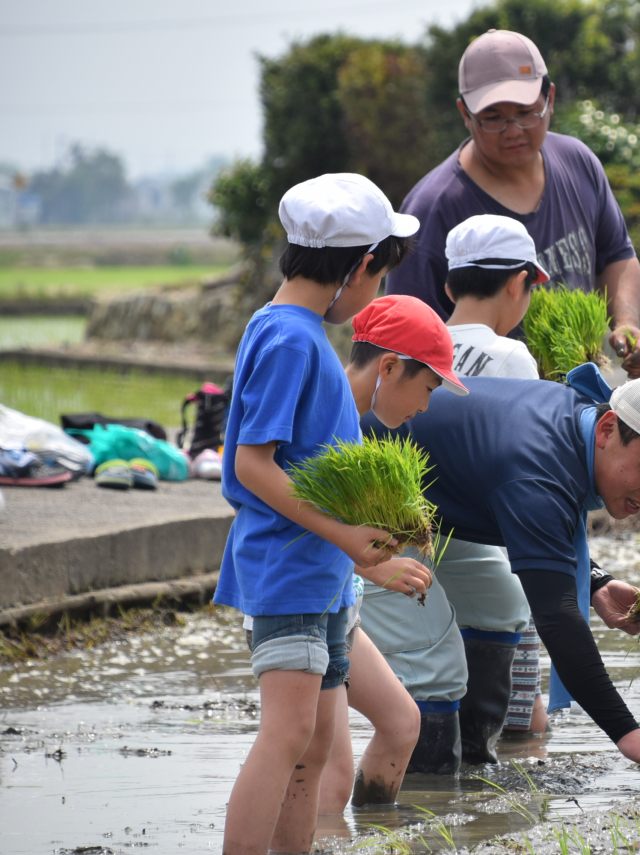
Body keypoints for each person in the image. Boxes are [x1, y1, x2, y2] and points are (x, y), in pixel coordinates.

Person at [214, 174, 434, 855]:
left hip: (322, 573)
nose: (375, 295)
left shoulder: (299, 332)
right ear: (361, 265)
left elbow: (321, 462)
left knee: (310, 742)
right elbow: (253, 464)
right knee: (286, 735)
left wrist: (388, 519)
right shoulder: (289, 339)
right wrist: (346, 536)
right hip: (289, 569)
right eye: (379, 276)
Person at [359, 369, 640, 776]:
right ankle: (423, 802)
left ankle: (473, 769)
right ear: (608, 429)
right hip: (358, 508)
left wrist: (596, 581)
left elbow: (544, 526)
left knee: (501, 605)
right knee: (434, 667)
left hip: (428, 503)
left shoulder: (575, 422)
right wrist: (626, 732)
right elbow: (557, 617)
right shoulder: (537, 468)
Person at [386, 29, 640, 378]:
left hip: (581, 404)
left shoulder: (579, 163)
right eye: (493, 117)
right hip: (485, 412)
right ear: (465, 113)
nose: (513, 130)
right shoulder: (431, 208)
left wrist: (627, 323)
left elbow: (617, 255)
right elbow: (405, 341)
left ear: (550, 98)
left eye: (527, 112)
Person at [318, 295, 471, 816]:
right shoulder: (327, 415)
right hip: (303, 605)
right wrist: (373, 565)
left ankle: (381, 834)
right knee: (328, 773)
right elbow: (287, 515)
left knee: (404, 723)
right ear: (389, 367)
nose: (426, 406)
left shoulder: (352, 420)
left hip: (340, 603)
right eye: (426, 387)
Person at [442, 214, 550, 738]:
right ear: (518, 282)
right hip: (495, 558)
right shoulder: (511, 356)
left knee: (443, 694)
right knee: (522, 720)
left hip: (421, 555)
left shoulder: (414, 348)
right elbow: (526, 470)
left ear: (448, 284)